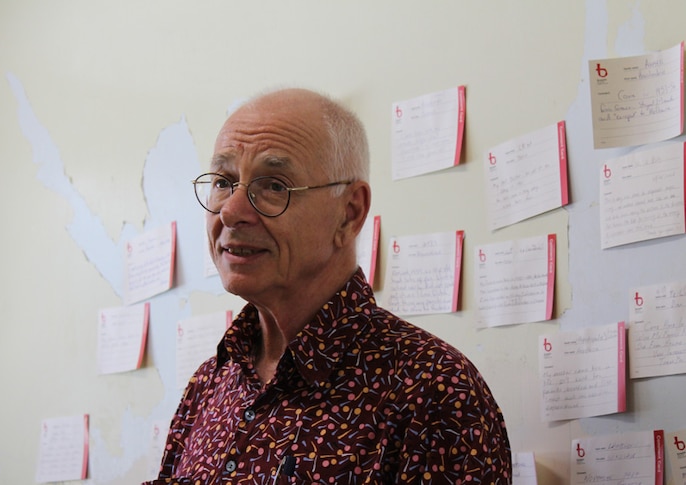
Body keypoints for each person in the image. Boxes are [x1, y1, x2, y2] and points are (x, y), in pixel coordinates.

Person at [143, 88, 511, 484]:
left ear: (349, 214)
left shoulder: (432, 390)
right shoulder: (210, 383)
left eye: (273, 186)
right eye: (223, 181)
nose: (231, 211)